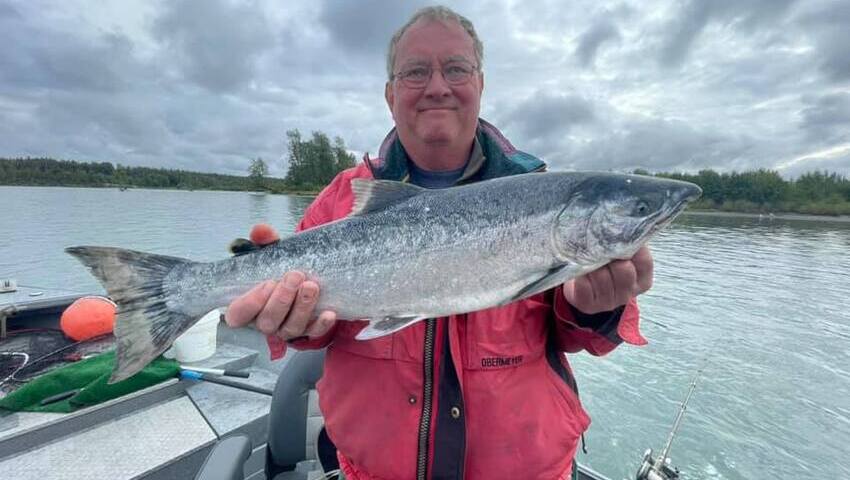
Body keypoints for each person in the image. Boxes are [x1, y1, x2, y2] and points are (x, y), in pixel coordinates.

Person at [226, 6, 652, 480]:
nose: (437, 86)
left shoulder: (542, 195)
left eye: (455, 68)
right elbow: (319, 330)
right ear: (390, 94)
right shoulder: (340, 198)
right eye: (415, 72)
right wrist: (293, 322)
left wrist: (598, 308)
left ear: (480, 84)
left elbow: (584, 339)